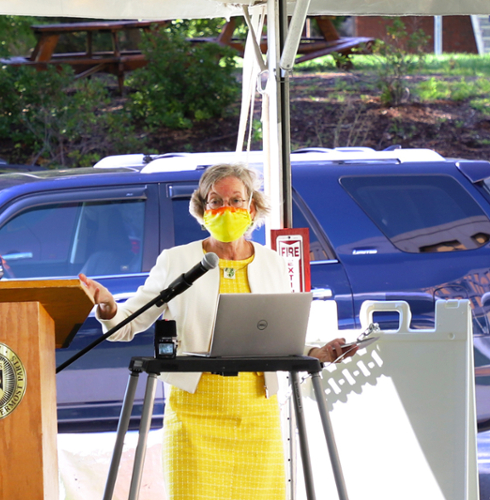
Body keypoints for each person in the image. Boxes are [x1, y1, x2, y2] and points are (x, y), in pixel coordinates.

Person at [79, 163, 357, 500]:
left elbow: (287, 332)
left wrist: (318, 351)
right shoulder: (177, 261)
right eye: (216, 201)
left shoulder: (272, 262)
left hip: (257, 416)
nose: (227, 208)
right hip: (194, 416)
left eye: (236, 200)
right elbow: (127, 325)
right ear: (201, 208)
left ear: (252, 208)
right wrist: (107, 308)